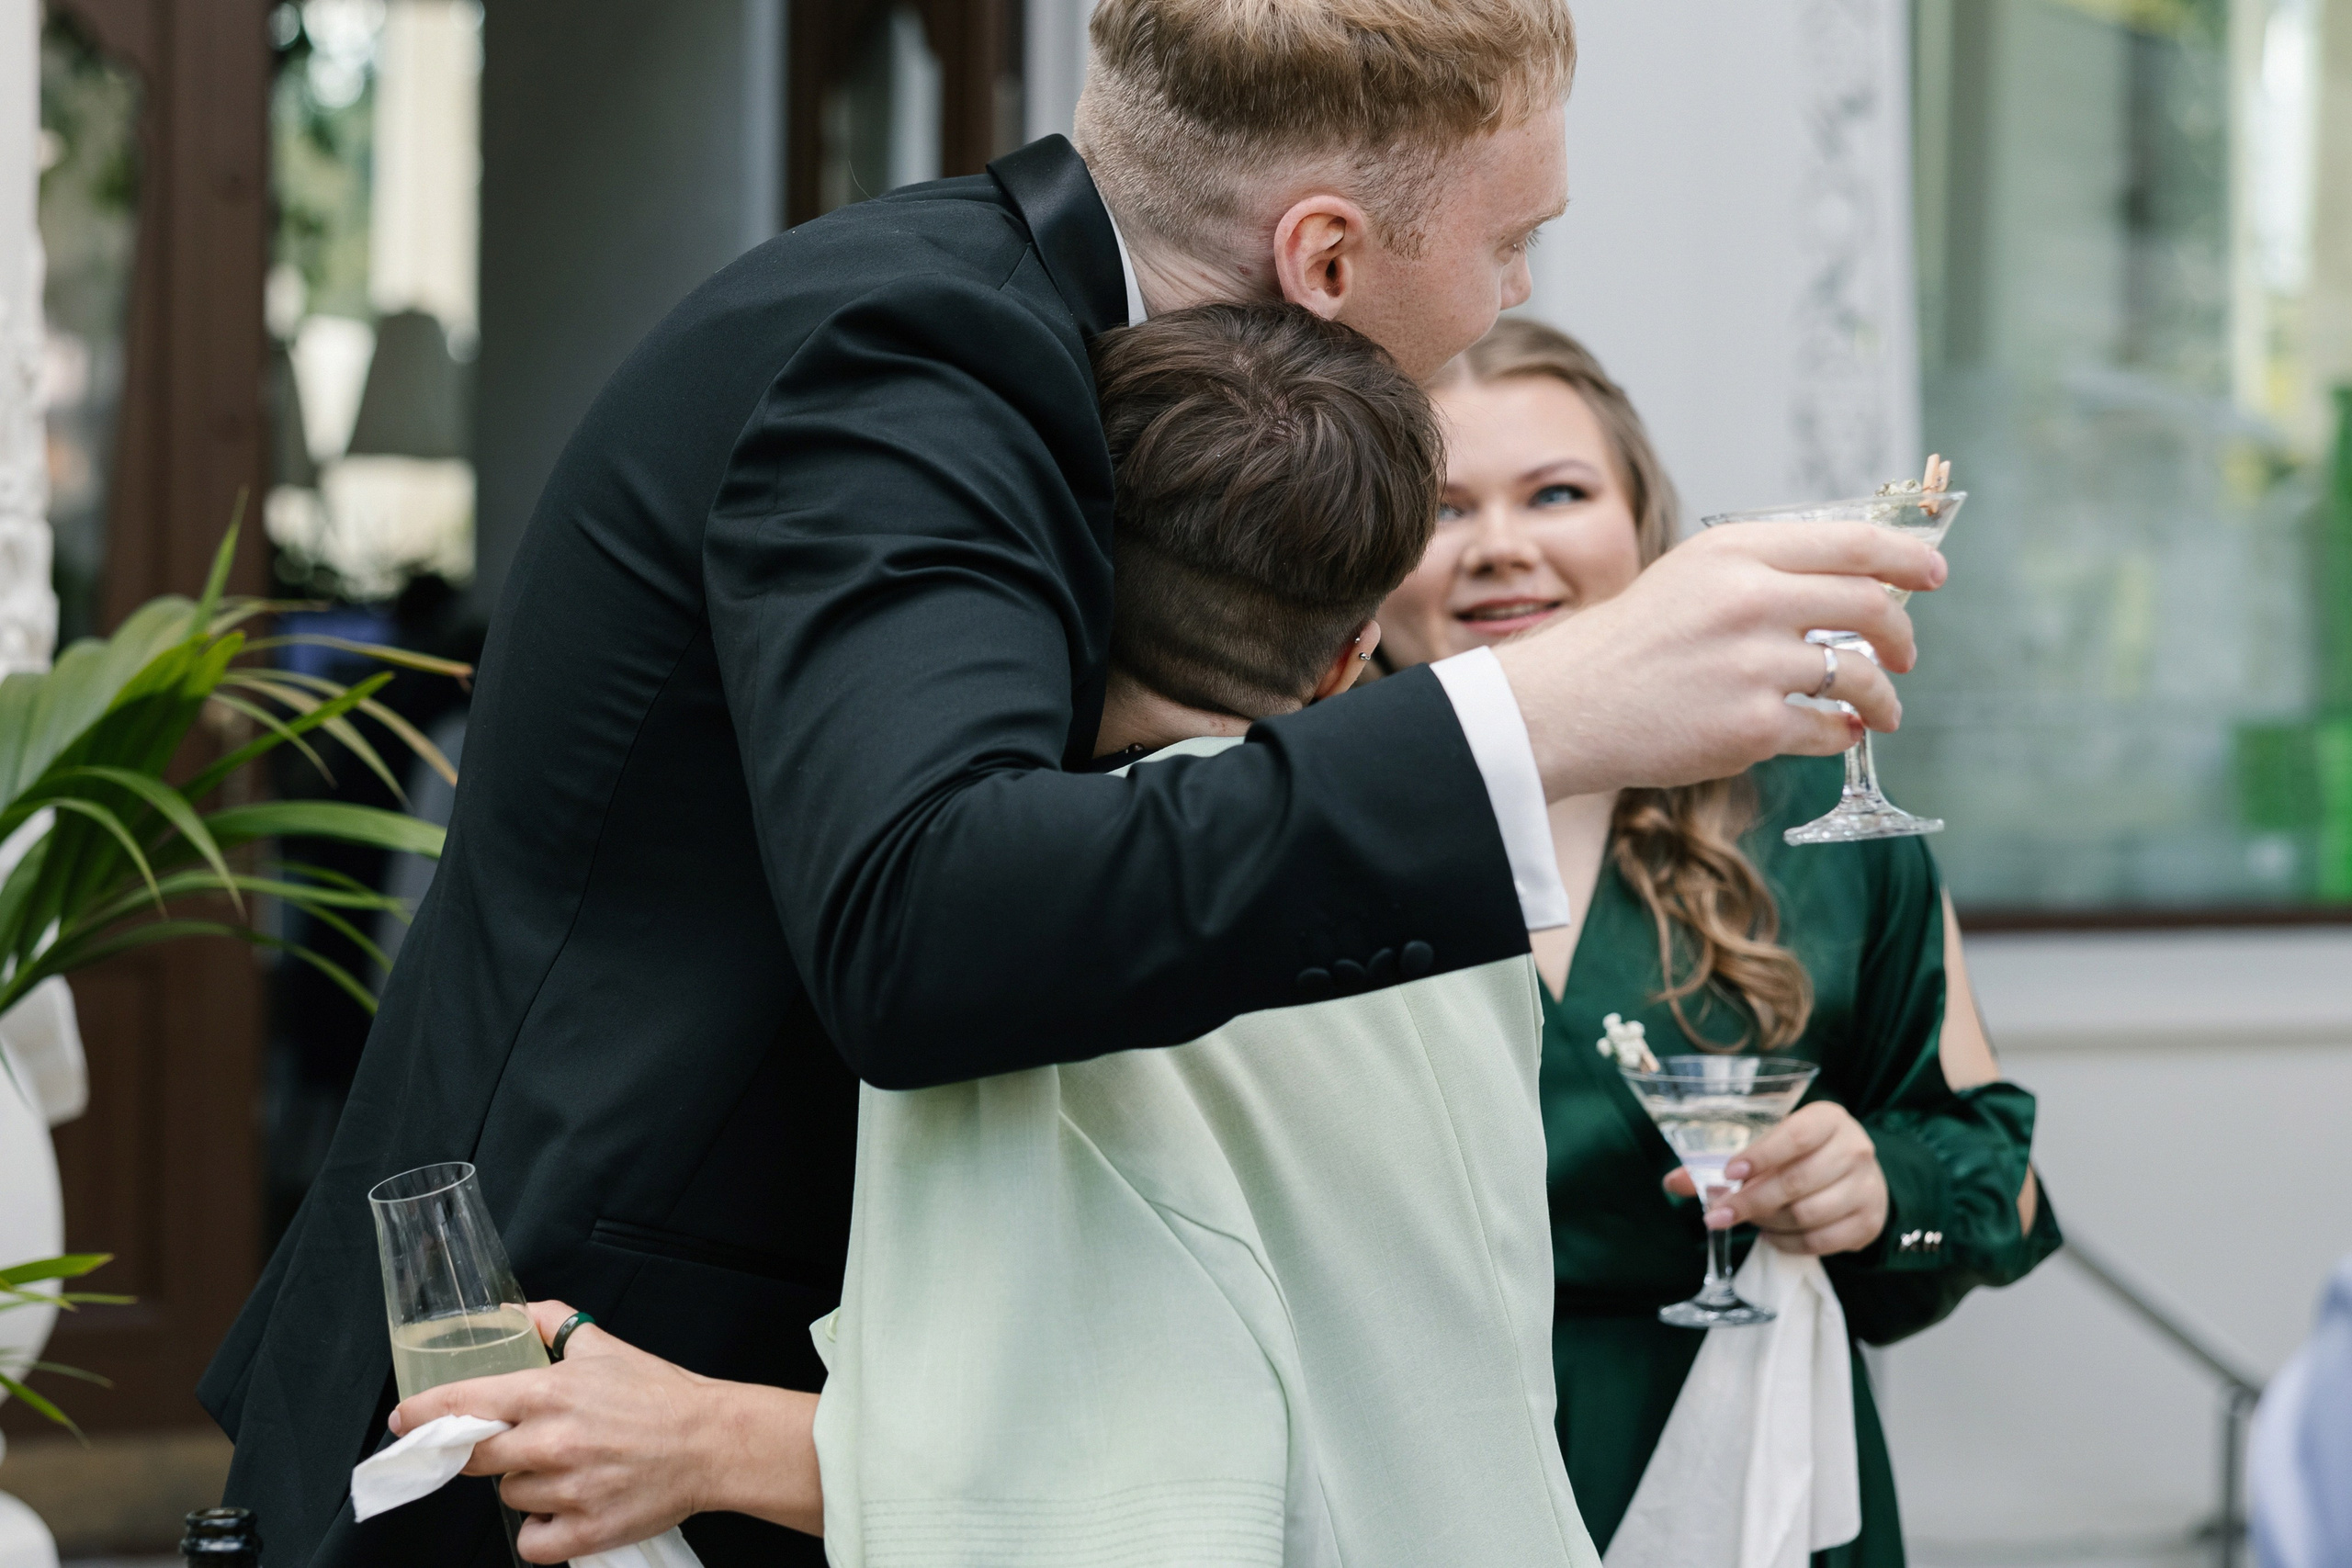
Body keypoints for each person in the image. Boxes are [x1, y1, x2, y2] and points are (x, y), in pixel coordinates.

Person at [203, 5, 1944, 1563]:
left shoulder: (1002, 333)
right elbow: (927, 920)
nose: (1521, 297)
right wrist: (1538, 717)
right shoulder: (912, 361)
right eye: (1515, 241)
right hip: (556, 1431)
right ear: (1324, 257)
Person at [814, 301, 1589, 1567]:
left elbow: (1027, 1478)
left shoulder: (1022, 945)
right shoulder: (1450, 891)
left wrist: (688, 1430)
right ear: (1352, 658)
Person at [1374, 318, 2062, 1566]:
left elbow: (1995, 1183)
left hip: (1751, 1491)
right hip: (1403, 1493)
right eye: (1441, 509)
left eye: (1558, 493)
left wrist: (1877, 1191)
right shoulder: (1290, 831)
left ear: (1647, 533)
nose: (1503, 548)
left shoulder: (1816, 816)